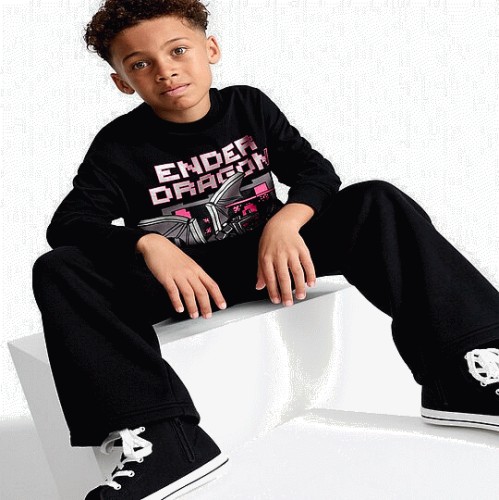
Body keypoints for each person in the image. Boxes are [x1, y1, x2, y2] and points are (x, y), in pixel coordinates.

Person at [31, 0, 499, 498]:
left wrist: (287, 219)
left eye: (178, 51)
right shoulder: (118, 145)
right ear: (123, 82)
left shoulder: (248, 106)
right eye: (141, 64)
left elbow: (315, 171)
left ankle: (462, 373)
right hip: (188, 285)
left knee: (376, 200)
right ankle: (165, 442)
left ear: (210, 50)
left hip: (273, 262)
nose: (165, 71)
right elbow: (70, 224)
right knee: (60, 268)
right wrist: (148, 243)